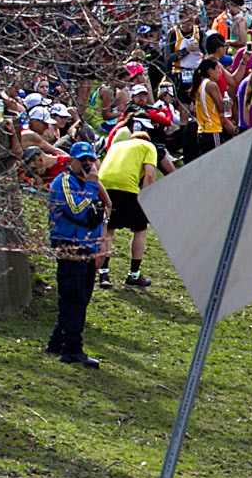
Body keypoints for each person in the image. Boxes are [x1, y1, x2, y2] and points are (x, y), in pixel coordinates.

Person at [45, 142, 107, 368]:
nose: (88, 164)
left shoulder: (86, 183)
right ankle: (71, 349)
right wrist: (92, 186)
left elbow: (97, 215)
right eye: (83, 160)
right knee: (74, 298)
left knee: (81, 297)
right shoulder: (64, 182)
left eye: (91, 160)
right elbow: (77, 209)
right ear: (71, 161)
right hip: (70, 246)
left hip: (87, 248)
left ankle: (57, 342)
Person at [95, 120, 172, 289]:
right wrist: (146, 200)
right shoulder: (148, 147)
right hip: (126, 187)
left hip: (104, 184)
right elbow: (150, 176)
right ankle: (134, 275)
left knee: (108, 228)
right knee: (140, 229)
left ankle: (104, 274)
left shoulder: (117, 146)